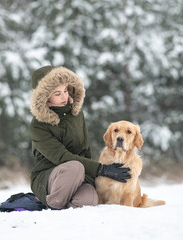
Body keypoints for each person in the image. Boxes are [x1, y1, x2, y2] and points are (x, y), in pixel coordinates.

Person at [29, 65, 131, 209]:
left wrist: (91, 179)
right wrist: (102, 169)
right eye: (57, 94)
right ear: (44, 97)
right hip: (48, 177)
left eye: (65, 90)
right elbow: (62, 157)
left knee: (89, 199)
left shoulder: (76, 113)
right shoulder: (38, 126)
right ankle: (53, 203)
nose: (64, 96)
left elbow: (85, 149)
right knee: (74, 167)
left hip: (79, 174)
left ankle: (62, 205)